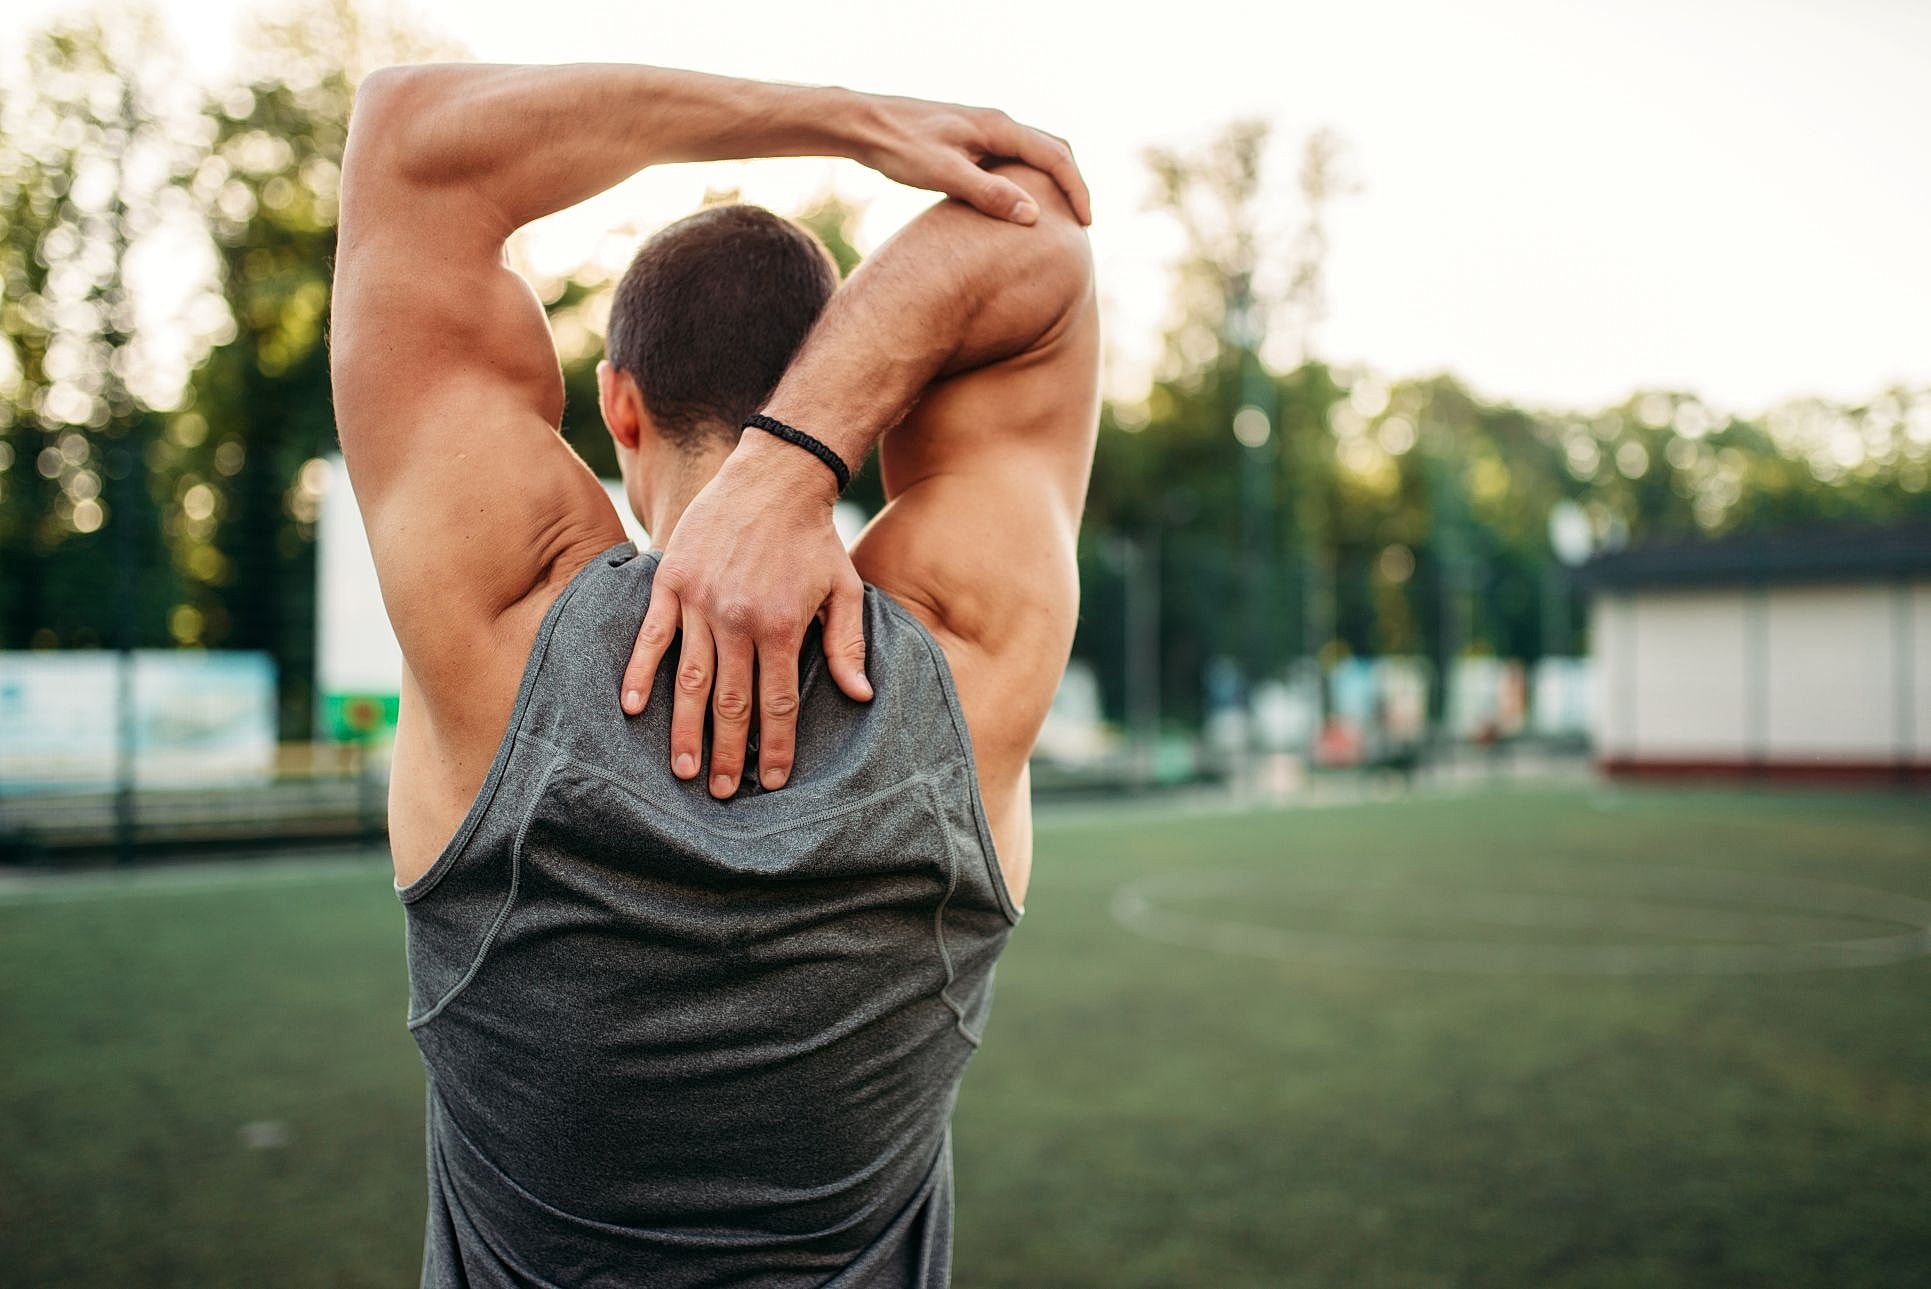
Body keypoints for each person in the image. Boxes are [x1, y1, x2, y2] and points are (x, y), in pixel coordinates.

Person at [330, 61, 1099, 1287]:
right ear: (872, 395)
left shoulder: (496, 619)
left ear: (619, 407)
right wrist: (795, 461)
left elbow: (415, 139)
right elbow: (1040, 238)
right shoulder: (967, 650)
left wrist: (845, 121)